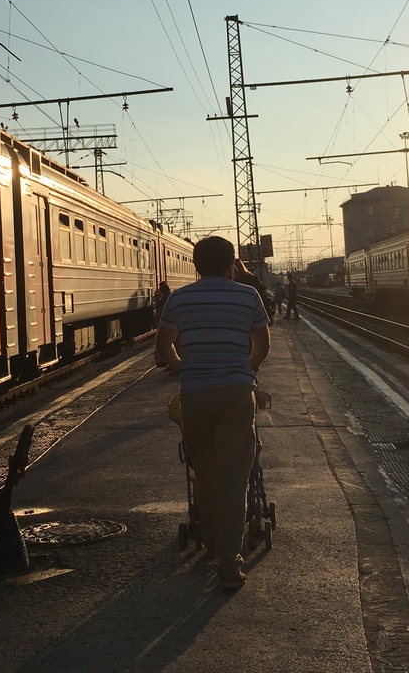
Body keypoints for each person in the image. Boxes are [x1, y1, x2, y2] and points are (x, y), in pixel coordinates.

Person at [156, 236, 269, 591]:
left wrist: (183, 367)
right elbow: (262, 345)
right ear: (231, 265)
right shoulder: (248, 296)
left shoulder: (178, 297)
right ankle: (229, 563)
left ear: (194, 265)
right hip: (236, 392)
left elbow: (164, 346)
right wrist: (244, 371)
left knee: (204, 472)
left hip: (195, 394)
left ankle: (211, 543)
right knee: (235, 477)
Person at [233, 259, 273, 325]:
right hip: (253, 310)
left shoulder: (233, 281)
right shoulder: (252, 278)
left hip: (239, 312)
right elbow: (262, 293)